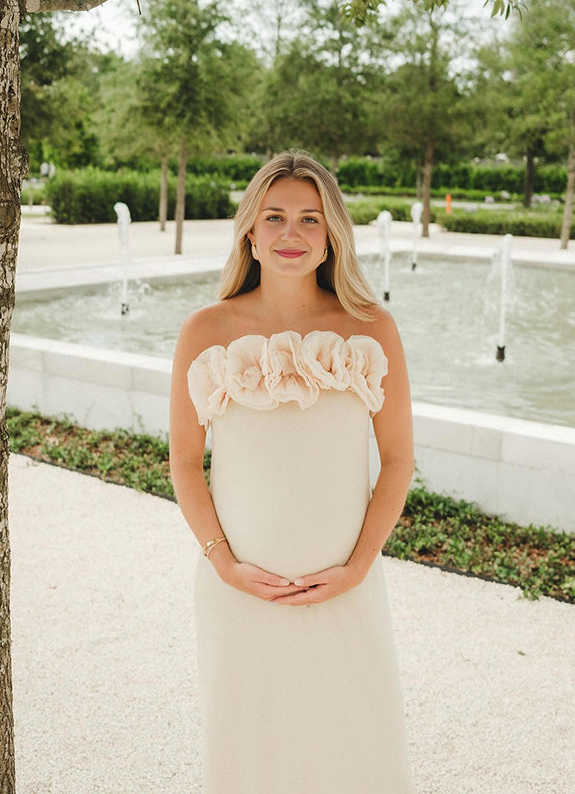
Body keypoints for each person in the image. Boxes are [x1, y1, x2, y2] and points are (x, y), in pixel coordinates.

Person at [169, 151, 415, 793]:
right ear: (249, 229)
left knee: (357, 748)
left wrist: (358, 568)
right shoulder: (206, 330)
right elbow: (185, 464)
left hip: (345, 587)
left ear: (331, 233)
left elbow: (397, 461)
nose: (290, 234)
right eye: (274, 216)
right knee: (250, 751)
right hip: (240, 589)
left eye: (310, 219)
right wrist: (225, 565)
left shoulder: (370, 329)